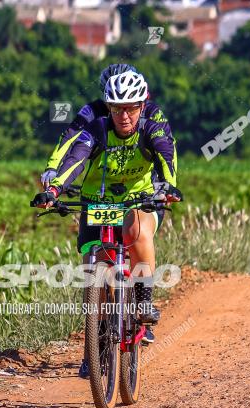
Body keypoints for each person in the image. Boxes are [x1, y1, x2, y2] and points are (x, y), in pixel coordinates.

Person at [31, 71, 183, 379]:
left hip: (140, 198)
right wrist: (54, 188)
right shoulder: (97, 126)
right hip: (97, 200)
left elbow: (167, 155)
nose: (123, 115)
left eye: (130, 108)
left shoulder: (152, 125)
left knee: (136, 231)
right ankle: (95, 345)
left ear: (143, 105)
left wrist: (168, 186)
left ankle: (143, 300)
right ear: (108, 107)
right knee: (93, 268)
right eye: (116, 109)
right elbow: (75, 156)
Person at [41, 63, 173, 190]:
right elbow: (70, 137)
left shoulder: (151, 111)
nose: (123, 112)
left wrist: (169, 184)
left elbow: (168, 146)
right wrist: (52, 168)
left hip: (145, 176)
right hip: (105, 176)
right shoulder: (94, 110)